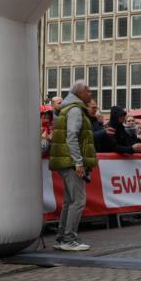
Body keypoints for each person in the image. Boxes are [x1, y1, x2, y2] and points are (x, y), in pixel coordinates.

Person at [48, 80, 96, 251]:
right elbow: (72, 136)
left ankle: (62, 237)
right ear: (80, 93)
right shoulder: (75, 110)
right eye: (88, 91)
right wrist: (78, 162)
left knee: (69, 201)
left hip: (65, 161)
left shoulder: (68, 109)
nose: (90, 94)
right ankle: (69, 239)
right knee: (78, 201)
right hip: (70, 162)